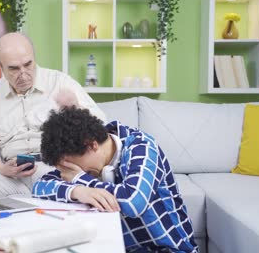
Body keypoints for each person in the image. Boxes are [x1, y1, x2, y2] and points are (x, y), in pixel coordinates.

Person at [32, 107, 198, 253]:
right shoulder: (79, 154)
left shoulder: (142, 146)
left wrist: (79, 179)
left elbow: (134, 201)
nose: (75, 172)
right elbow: (39, 187)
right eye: (70, 169)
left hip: (169, 249)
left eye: (73, 167)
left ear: (91, 145)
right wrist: (77, 190)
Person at [0, 32, 106, 196]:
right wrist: (2, 168)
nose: (23, 74)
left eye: (28, 64)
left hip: (57, 170)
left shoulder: (60, 82)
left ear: (34, 58)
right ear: (1, 68)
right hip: (12, 179)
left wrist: (76, 107)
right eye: (14, 69)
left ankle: (43, 197)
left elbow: (101, 125)